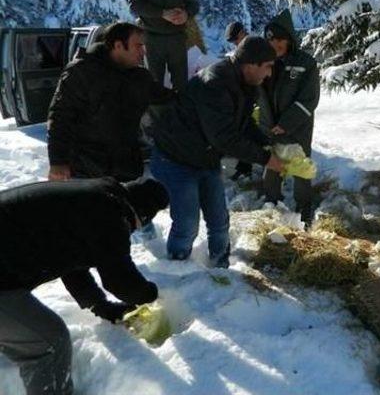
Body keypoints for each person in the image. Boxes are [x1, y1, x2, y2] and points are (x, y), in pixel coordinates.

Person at [0, 177, 169, 395]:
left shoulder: (90, 199)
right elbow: (120, 280)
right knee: (49, 342)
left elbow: (69, 261)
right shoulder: (111, 214)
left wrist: (99, 305)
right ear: (140, 216)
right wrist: (152, 297)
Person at [150, 36, 284, 266]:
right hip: (176, 157)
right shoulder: (215, 83)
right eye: (268, 67)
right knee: (187, 222)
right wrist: (265, 158)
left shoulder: (246, 83)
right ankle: (177, 267)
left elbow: (242, 123)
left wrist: (265, 142)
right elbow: (223, 137)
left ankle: (221, 266)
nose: (269, 74)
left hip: (205, 156)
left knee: (219, 219)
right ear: (251, 64)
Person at [47, 22, 174, 183]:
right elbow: (60, 117)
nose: (143, 52)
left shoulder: (140, 77)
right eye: (138, 46)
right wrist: (58, 162)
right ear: (118, 45)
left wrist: (201, 89)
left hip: (127, 169)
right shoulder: (81, 72)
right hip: (87, 171)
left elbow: (167, 98)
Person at [259, 9, 320, 226]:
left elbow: (309, 99)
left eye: (280, 39)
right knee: (272, 169)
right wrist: (267, 124)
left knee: (301, 170)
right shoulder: (265, 63)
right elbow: (259, 95)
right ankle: (272, 204)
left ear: (289, 39)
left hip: (297, 128)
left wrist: (286, 123)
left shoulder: (306, 63)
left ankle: (304, 209)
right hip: (271, 129)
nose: (276, 44)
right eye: (271, 40)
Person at [129, 0, 199, 92]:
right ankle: (157, 115)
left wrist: (186, 14)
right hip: (152, 38)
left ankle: (180, 113)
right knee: (154, 84)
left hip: (177, 37)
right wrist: (162, 13)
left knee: (181, 84)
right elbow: (135, 5)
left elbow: (193, 5)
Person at [224, 21, 253, 181]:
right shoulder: (241, 49)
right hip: (245, 96)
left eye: (235, 39)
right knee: (244, 131)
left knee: (248, 131)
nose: (235, 43)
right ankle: (244, 167)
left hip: (254, 96)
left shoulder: (253, 47)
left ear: (242, 33)